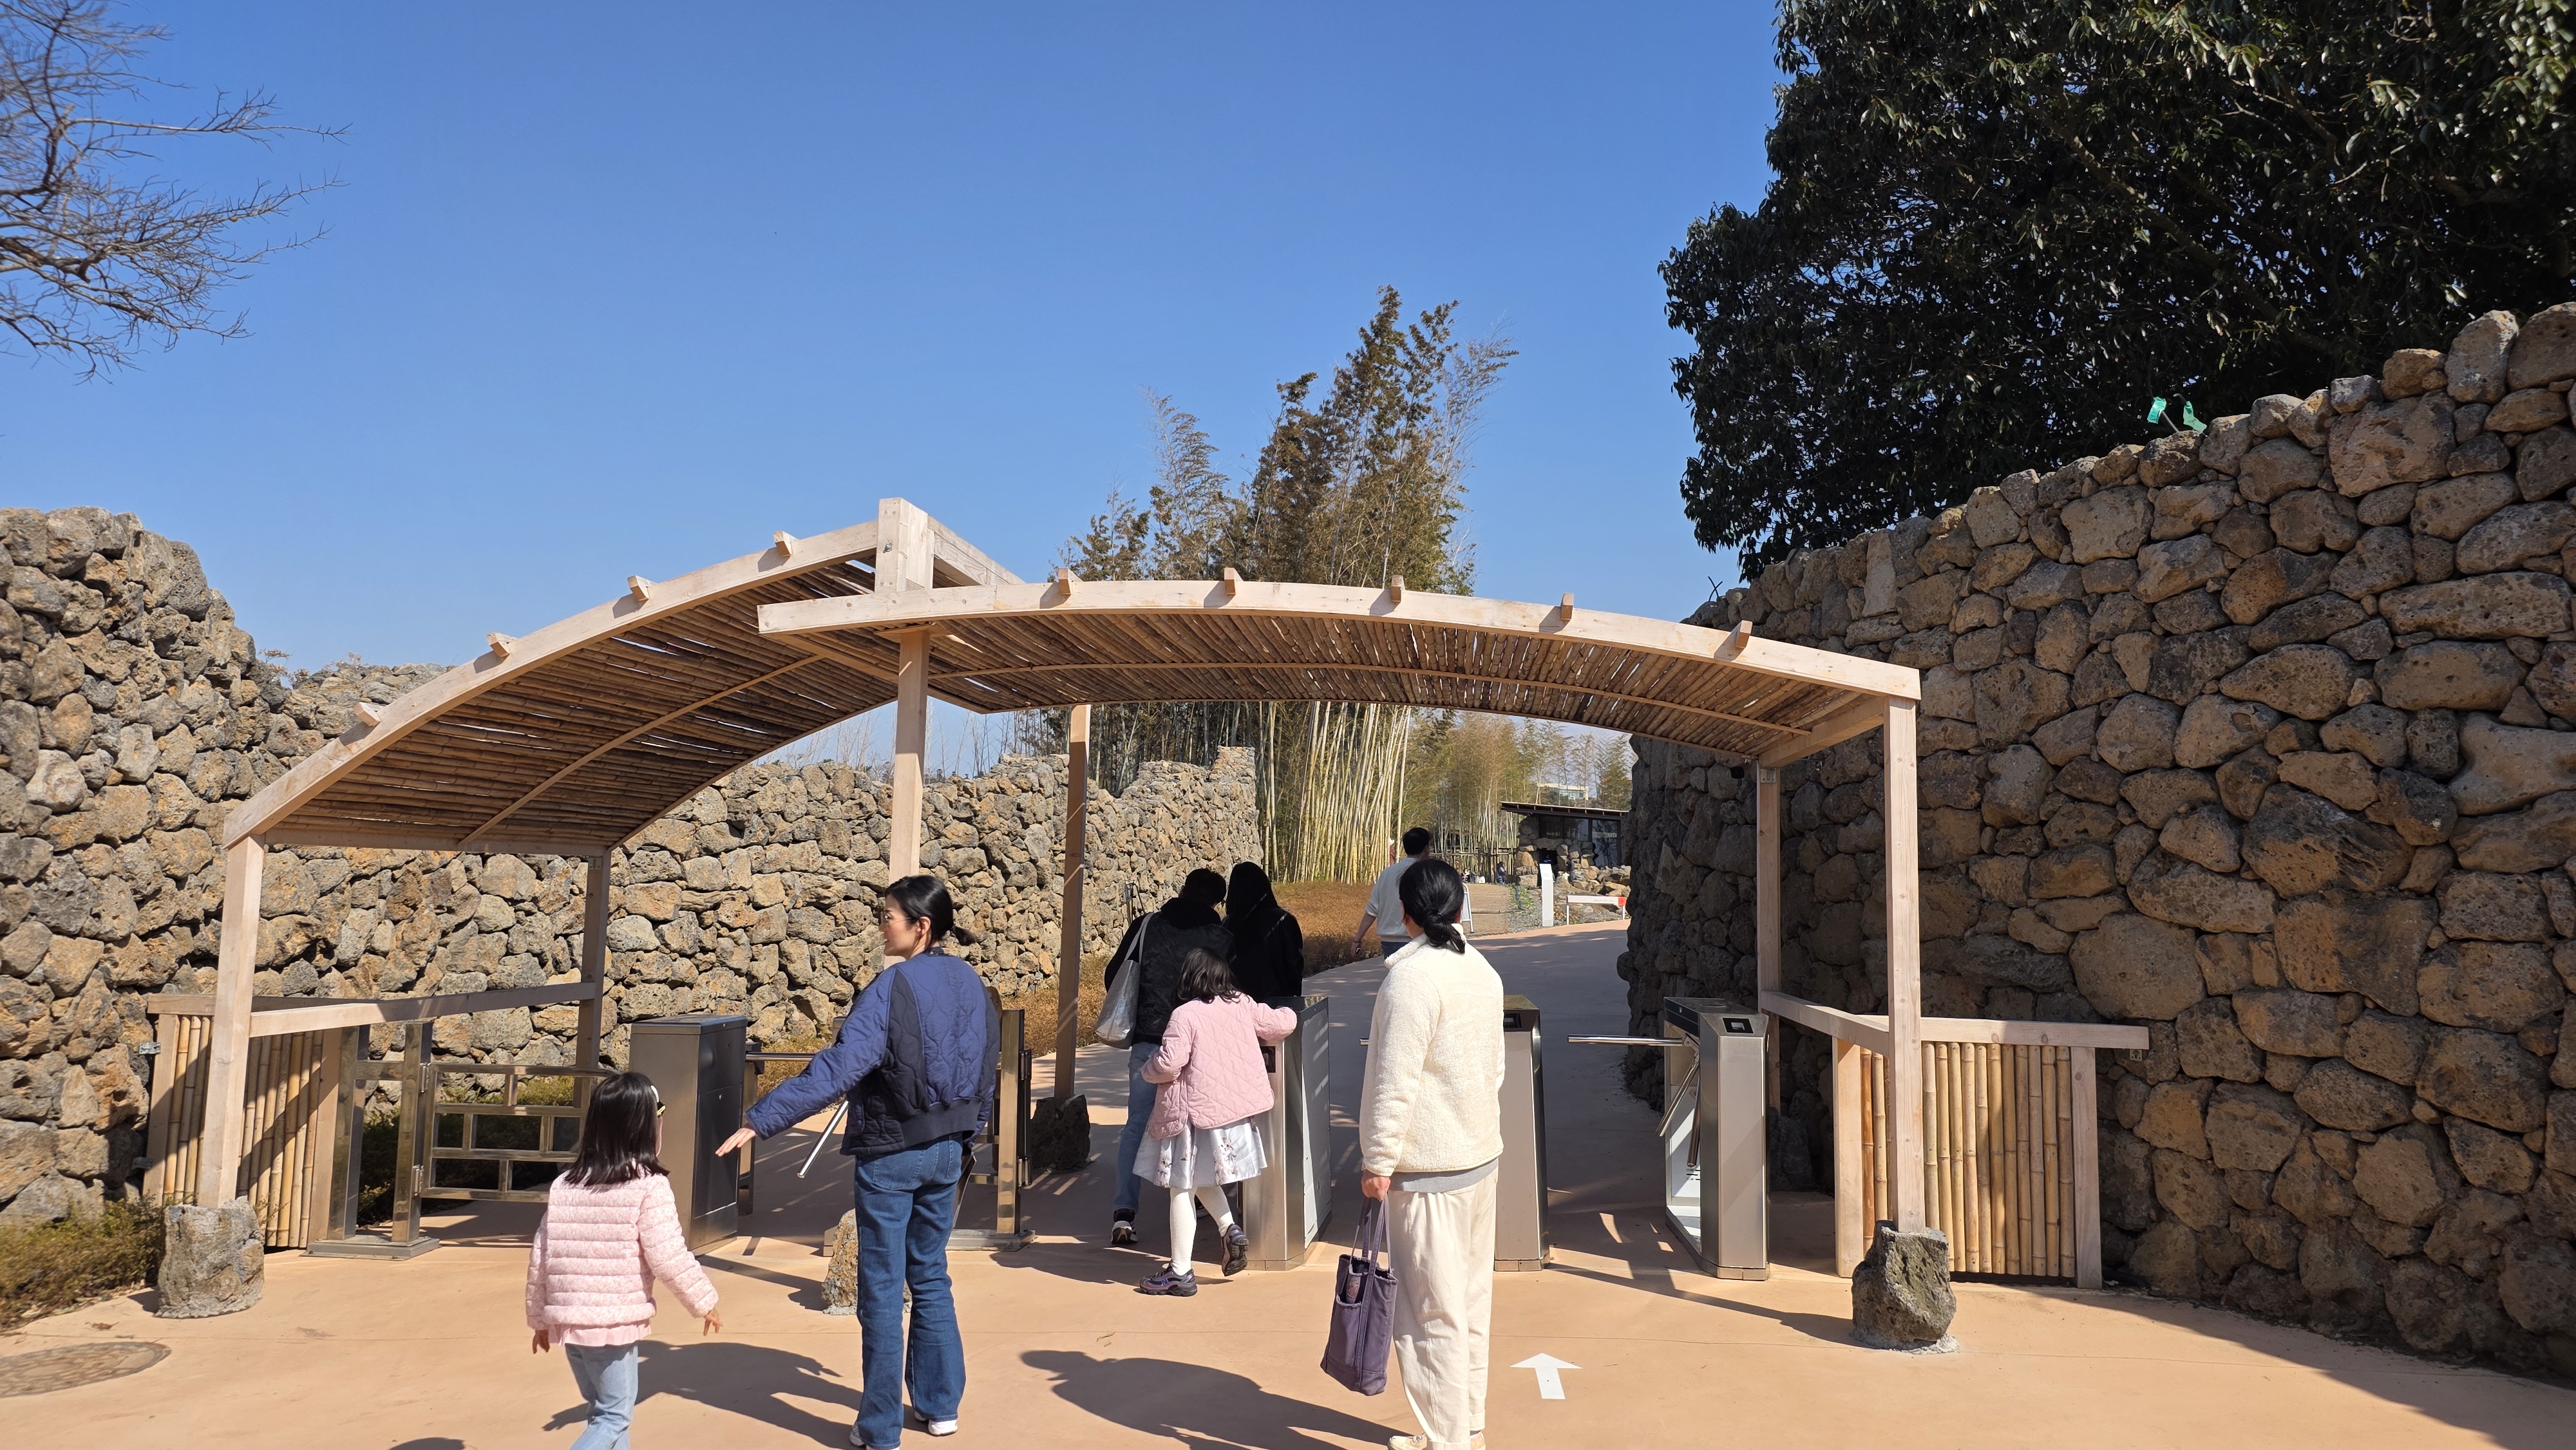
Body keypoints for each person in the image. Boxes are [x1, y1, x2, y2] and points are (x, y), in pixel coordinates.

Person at [715, 874, 996, 1450]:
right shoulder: (972, 982)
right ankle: (941, 1407)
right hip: (948, 1149)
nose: (881, 925)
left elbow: (841, 1067)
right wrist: (971, 1134)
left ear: (921, 926)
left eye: (888, 916)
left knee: (883, 1290)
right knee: (931, 1275)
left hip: (891, 1152)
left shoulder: (891, 987)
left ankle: (879, 1429)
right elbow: (987, 1066)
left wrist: (762, 1119)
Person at [1357, 856, 1504, 1450]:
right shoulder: (1482, 970)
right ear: (1461, 906)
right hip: (1479, 1158)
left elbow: (1393, 1081)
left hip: (1428, 1168)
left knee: (1429, 1315)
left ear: (1405, 914)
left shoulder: (1411, 980)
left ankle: (1448, 1441)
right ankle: (1465, 1428)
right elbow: (1496, 1069)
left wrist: (1378, 1160)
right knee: (1468, 1304)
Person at [526, 1071, 723, 1450]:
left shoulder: (566, 1184)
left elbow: (541, 1256)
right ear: (645, 1125)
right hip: (612, 1324)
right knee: (614, 1417)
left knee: (602, 1414)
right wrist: (704, 1302)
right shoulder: (649, 1185)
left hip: (569, 1323)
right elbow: (668, 1254)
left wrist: (539, 1320)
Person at [1132, 947, 1300, 1295]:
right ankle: (1229, 1229)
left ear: (1189, 978)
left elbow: (1169, 1064)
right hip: (1231, 1115)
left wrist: (1147, 1070)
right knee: (1200, 1177)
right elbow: (1282, 1023)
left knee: (1181, 1187)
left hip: (1192, 1117)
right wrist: (1292, 1008)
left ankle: (1180, 1272)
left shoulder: (1184, 1015)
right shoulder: (1242, 1004)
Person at [1101, 867, 1233, 1247]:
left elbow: (1114, 975)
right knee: (1199, 1125)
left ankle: (1124, 1213)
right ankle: (1202, 1201)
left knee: (1137, 1124)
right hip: (1200, 1047)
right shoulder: (1221, 938)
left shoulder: (1148, 925)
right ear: (1218, 902)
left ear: (1183, 889)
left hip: (1150, 1041)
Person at [1353, 827, 1470, 958]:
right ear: (1426, 848)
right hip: (1420, 939)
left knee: (1397, 971)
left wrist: (1357, 939)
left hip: (1389, 942)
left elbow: (1372, 910)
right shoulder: (1429, 874)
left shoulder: (1387, 873)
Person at [1223, 861, 1305, 1002]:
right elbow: (1293, 964)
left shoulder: (1227, 924)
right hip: (1276, 1002)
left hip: (1234, 1002)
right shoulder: (1283, 920)